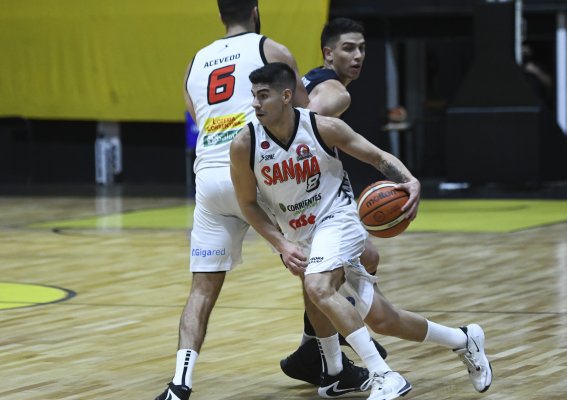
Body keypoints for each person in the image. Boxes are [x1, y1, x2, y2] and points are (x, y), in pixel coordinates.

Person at [229, 62, 493, 399]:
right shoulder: (244, 145)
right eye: (253, 96)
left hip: (338, 219)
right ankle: (463, 339)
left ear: (285, 96)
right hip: (299, 234)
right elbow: (248, 204)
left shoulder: (323, 128)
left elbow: (376, 156)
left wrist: (408, 180)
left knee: (318, 286)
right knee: (383, 319)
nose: (255, 103)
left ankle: (385, 376)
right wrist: (280, 243)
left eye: (262, 96)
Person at [153, 1, 318, 399]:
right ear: (256, 9)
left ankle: (180, 383)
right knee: (315, 267)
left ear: (220, 13)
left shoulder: (196, 61)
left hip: (209, 176)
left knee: (202, 289)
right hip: (258, 170)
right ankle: (327, 360)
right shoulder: (270, 50)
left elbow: (196, 114)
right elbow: (301, 114)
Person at [280, 17, 389, 387]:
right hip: (294, 192)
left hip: (291, 188)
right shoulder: (337, 93)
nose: (357, 56)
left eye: (362, 49)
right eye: (348, 48)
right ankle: (332, 349)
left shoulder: (314, 80)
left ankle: (318, 347)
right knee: (327, 273)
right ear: (328, 53)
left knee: (362, 258)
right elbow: (302, 126)